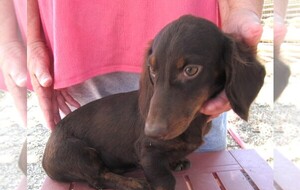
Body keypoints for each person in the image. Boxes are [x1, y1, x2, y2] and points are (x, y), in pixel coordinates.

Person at [27, 0, 264, 151]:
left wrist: (241, 9)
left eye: (188, 71)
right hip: (77, 50)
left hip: (203, 50)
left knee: (201, 189)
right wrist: (29, 38)